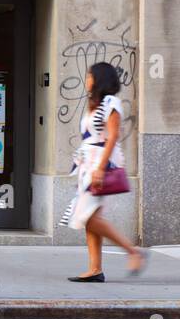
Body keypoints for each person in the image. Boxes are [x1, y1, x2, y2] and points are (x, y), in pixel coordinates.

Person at [59, 62, 146, 282]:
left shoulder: (111, 102)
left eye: (89, 75)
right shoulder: (94, 104)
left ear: (99, 78)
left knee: (88, 216)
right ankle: (95, 269)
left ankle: (133, 252)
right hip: (87, 164)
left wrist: (100, 168)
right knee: (91, 217)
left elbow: (113, 136)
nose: (86, 79)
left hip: (99, 164)